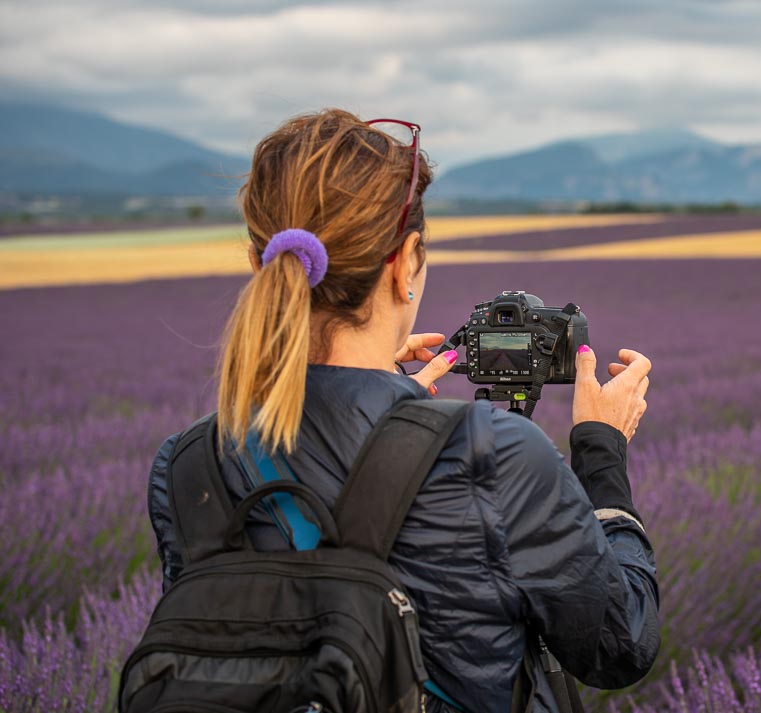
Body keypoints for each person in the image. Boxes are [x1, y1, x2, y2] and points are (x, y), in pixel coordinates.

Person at [146, 109, 660, 712]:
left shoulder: (187, 463)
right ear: (405, 263)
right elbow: (619, 646)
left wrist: (394, 410)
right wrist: (602, 450)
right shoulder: (492, 457)